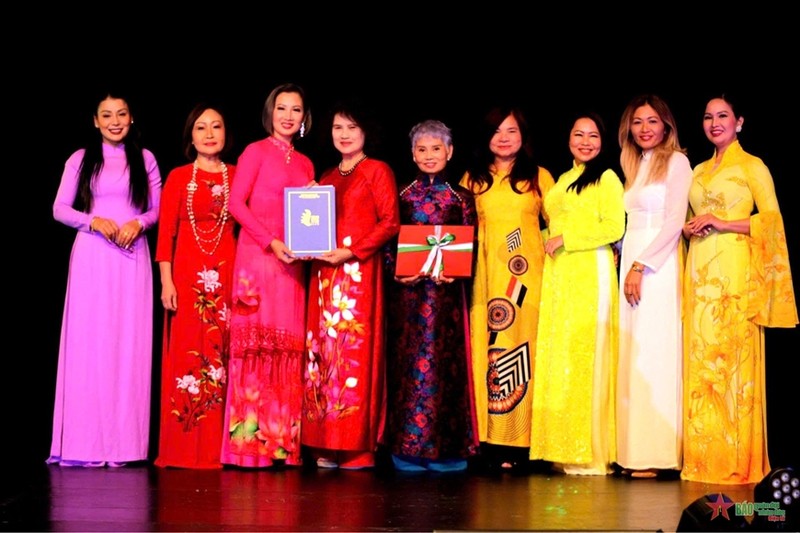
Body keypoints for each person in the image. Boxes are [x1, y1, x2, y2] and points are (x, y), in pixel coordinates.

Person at [681, 93, 798, 484]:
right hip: (699, 274)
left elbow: (772, 222)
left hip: (734, 275)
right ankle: (701, 458)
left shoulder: (753, 166)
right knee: (701, 366)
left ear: (739, 122)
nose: (715, 123)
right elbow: (687, 220)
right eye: (708, 116)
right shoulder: (696, 171)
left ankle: (735, 460)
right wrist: (689, 226)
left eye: (723, 116)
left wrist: (724, 221)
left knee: (731, 366)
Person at [48, 90, 162, 467]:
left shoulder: (144, 159)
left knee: (128, 346)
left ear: (131, 118)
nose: (115, 121)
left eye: (121, 113)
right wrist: (92, 220)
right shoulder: (81, 159)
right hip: (92, 258)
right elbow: (59, 208)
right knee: (90, 347)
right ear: (95, 121)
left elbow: (157, 209)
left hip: (132, 258)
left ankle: (125, 446)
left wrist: (138, 222)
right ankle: (86, 445)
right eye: (106, 115)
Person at [302, 98, 401, 470]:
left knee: (353, 355)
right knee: (322, 360)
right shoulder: (325, 177)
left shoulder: (377, 170)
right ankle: (324, 442)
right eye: (337, 128)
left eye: (352, 128)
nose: (344, 135)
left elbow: (390, 222)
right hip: (324, 277)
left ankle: (355, 445)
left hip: (358, 275)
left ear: (366, 133)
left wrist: (353, 252)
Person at [221, 83, 315, 468]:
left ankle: (281, 446)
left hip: (292, 266)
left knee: (286, 351)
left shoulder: (307, 163)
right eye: (282, 108)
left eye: (296, 109)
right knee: (255, 350)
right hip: (258, 260)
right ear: (270, 113)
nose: (288, 116)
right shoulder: (255, 151)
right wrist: (271, 241)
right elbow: (235, 205)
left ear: (304, 117)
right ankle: (247, 451)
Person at [459, 104, 555, 473]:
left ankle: (520, 442)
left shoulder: (540, 177)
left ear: (523, 136)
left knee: (522, 351)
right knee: (483, 353)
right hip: (482, 280)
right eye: (497, 131)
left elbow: (560, 222)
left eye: (511, 131)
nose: (503, 137)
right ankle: (483, 439)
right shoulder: (473, 178)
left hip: (524, 284)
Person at [529, 111, 625, 475]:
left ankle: (592, 452)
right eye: (578, 135)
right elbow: (553, 227)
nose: (586, 142)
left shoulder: (608, 178)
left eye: (593, 136)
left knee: (588, 355)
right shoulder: (565, 177)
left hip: (589, 270)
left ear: (603, 142)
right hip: (560, 274)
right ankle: (563, 447)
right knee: (563, 358)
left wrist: (566, 240)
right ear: (568, 139)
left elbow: (615, 227)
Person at [383, 119, 479, 473]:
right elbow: (389, 243)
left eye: (436, 148)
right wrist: (398, 271)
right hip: (408, 298)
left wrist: (455, 271)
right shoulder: (402, 195)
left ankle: (448, 449)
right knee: (407, 368)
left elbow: (471, 247)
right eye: (421, 149)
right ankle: (406, 448)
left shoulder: (462, 198)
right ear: (412, 154)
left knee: (444, 367)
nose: (428, 155)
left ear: (449, 152)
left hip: (446, 301)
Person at [154, 103, 237, 469]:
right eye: (201, 127)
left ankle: (221, 449)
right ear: (190, 135)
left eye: (215, 127)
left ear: (225, 133)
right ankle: (183, 447)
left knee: (223, 355)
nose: (208, 134)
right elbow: (165, 233)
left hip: (228, 272)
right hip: (186, 276)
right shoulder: (177, 178)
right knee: (187, 357)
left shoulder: (237, 174)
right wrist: (166, 281)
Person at [614, 95, 693, 479]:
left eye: (652, 121)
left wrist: (641, 266)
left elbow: (675, 221)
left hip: (656, 267)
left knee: (655, 353)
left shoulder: (677, 162)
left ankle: (657, 454)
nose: (645, 128)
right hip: (633, 258)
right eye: (637, 122)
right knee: (634, 354)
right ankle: (632, 452)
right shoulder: (635, 165)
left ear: (666, 125)